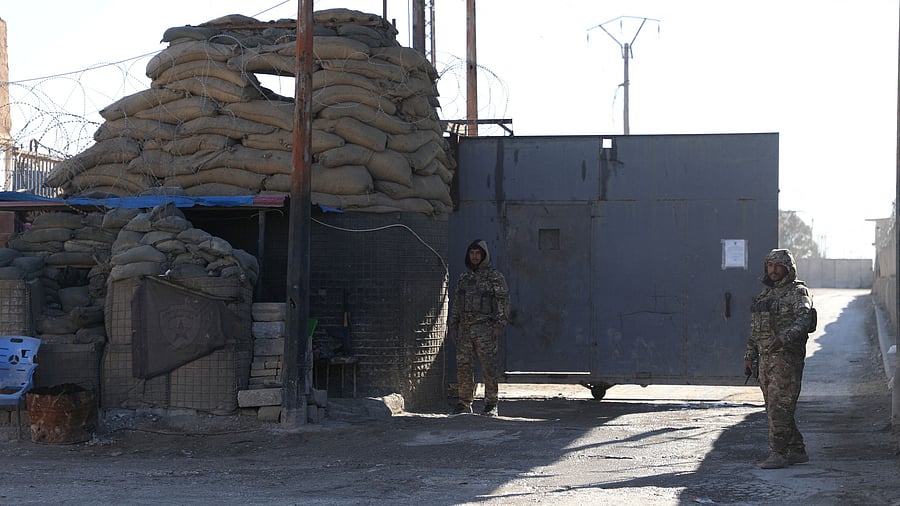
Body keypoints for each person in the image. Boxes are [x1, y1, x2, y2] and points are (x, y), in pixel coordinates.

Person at [744, 248, 814, 469]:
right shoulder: (765, 295)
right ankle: (797, 449)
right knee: (776, 406)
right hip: (764, 360)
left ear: (788, 268)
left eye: (778, 266)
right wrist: (749, 355)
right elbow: (755, 331)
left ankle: (779, 453)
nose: (773, 270)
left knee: (778, 406)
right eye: (770, 265)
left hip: (786, 360)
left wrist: (783, 339)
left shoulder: (798, 293)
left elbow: (804, 321)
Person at [448, 239, 509, 416]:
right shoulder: (464, 277)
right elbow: (457, 303)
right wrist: (454, 325)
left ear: (484, 255)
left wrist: (499, 324)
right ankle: (464, 402)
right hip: (465, 329)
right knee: (463, 366)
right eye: (472, 253)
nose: (474, 257)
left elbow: (502, 301)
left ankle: (491, 404)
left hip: (486, 329)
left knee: (489, 367)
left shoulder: (494, 276)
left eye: (478, 253)